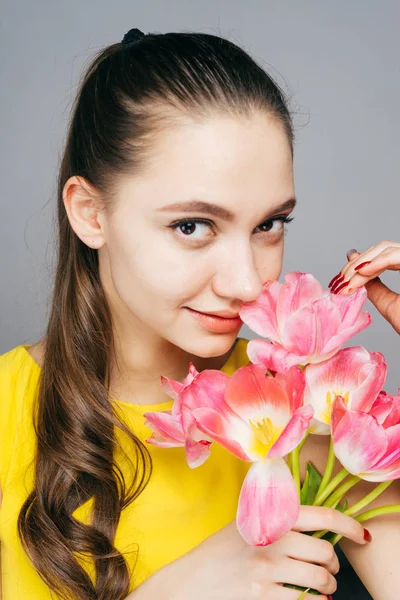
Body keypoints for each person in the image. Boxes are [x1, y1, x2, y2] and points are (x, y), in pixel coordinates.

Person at [0, 27, 398, 600]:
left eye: (269, 225)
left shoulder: (310, 410)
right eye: (192, 226)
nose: (246, 283)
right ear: (90, 213)